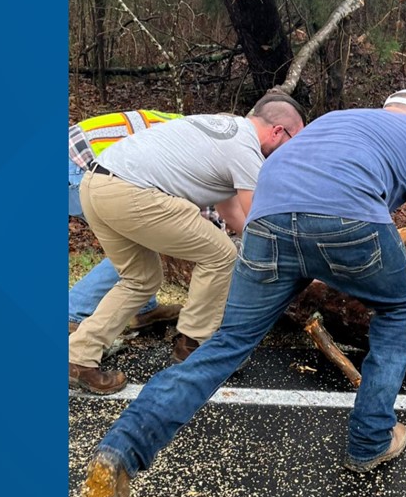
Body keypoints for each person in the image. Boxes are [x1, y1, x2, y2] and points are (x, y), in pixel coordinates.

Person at [80, 88, 406, 497]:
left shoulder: (334, 120)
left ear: (387, 110)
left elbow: (289, 203)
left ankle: (121, 449)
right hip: (349, 218)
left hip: (267, 223)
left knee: (226, 344)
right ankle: (370, 440)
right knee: (399, 309)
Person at [69, 93, 306, 395]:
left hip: (95, 185)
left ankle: (78, 356)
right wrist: (293, 256)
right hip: (131, 192)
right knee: (222, 254)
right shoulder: (246, 149)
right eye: (292, 142)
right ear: (277, 131)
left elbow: (233, 213)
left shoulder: (223, 130)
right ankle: (192, 344)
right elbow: (260, 220)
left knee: (140, 279)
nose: (290, 152)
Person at [68, 110, 185, 337]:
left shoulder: (183, 126)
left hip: (78, 162)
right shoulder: (190, 142)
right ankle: (74, 311)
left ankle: (143, 309)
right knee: (136, 244)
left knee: (137, 239)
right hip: (78, 167)